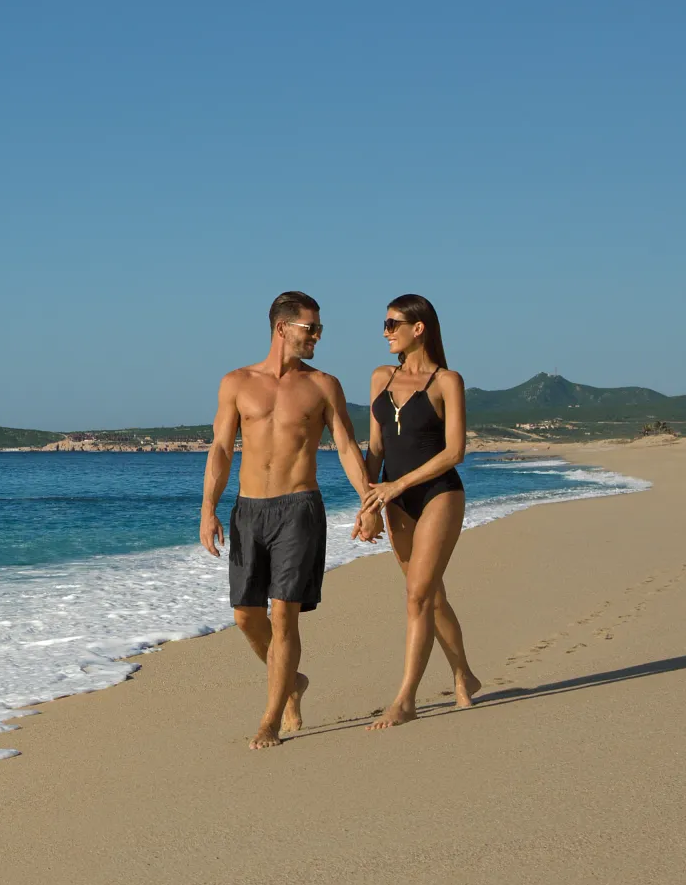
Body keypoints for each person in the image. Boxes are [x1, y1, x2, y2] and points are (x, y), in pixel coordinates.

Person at [200, 291, 376, 749]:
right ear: (282, 328)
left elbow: (344, 446)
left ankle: (271, 718)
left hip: (299, 509)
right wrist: (208, 510)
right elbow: (220, 449)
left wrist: (368, 502)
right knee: (245, 617)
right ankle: (291, 681)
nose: (317, 336)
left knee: (283, 614)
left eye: (319, 329)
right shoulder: (236, 383)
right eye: (310, 328)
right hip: (248, 510)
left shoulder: (323, 385)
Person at [359, 293, 483, 729]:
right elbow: (374, 449)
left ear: (419, 328)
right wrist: (369, 503)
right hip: (395, 502)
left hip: (438, 495)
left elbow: (455, 452)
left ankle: (406, 698)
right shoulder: (380, 377)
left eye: (393, 323)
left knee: (417, 596)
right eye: (385, 323)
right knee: (432, 597)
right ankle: (464, 674)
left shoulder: (447, 381)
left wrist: (398, 485)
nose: (385, 331)